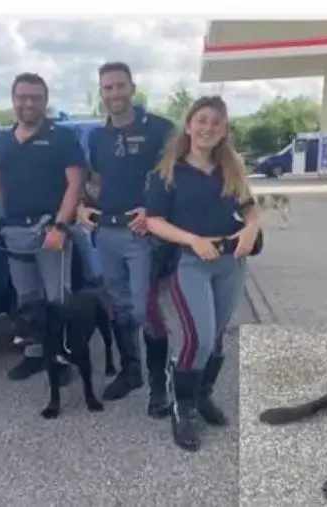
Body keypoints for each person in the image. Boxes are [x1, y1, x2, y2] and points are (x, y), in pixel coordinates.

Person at [145, 96, 261, 451]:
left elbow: (249, 206)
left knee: (217, 336)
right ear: (190, 123)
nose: (208, 128)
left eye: (216, 122)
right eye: (202, 120)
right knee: (198, 337)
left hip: (231, 261)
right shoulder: (167, 171)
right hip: (191, 262)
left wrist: (252, 229)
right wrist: (193, 240)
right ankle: (183, 408)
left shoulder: (232, 167)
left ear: (225, 129)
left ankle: (201, 395)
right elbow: (154, 221)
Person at [78, 62, 177, 416]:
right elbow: (95, 183)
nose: (114, 94)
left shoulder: (161, 130)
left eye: (120, 86)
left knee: (145, 309)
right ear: (101, 92)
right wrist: (80, 206)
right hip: (106, 232)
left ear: (132, 88)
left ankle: (159, 384)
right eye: (107, 88)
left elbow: (176, 176)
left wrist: (153, 211)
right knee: (118, 306)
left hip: (142, 234)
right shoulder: (96, 136)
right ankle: (131, 371)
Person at [0, 73, 85, 383]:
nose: (28, 103)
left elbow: (75, 184)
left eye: (35, 97)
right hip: (14, 233)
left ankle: (60, 357)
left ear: (45, 101)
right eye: (22, 97)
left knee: (57, 298)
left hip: (50, 231)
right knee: (26, 298)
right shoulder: (3, 141)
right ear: (13, 100)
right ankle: (34, 354)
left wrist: (61, 226)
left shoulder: (62, 138)